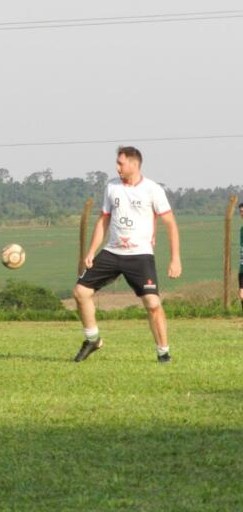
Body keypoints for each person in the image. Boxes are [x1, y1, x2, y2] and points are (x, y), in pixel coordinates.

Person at [73, 146, 182, 363]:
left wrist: (175, 258)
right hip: (112, 252)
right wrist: (92, 251)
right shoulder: (112, 187)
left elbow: (170, 224)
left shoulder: (152, 189)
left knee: (152, 304)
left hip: (140, 256)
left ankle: (163, 353)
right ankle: (92, 339)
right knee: (80, 292)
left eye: (120, 163)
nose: (117, 167)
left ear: (134, 164)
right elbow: (104, 220)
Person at [238, 201, 243, 312]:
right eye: (241, 212)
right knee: (242, 295)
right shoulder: (241, 229)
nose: (242, 213)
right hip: (242, 269)